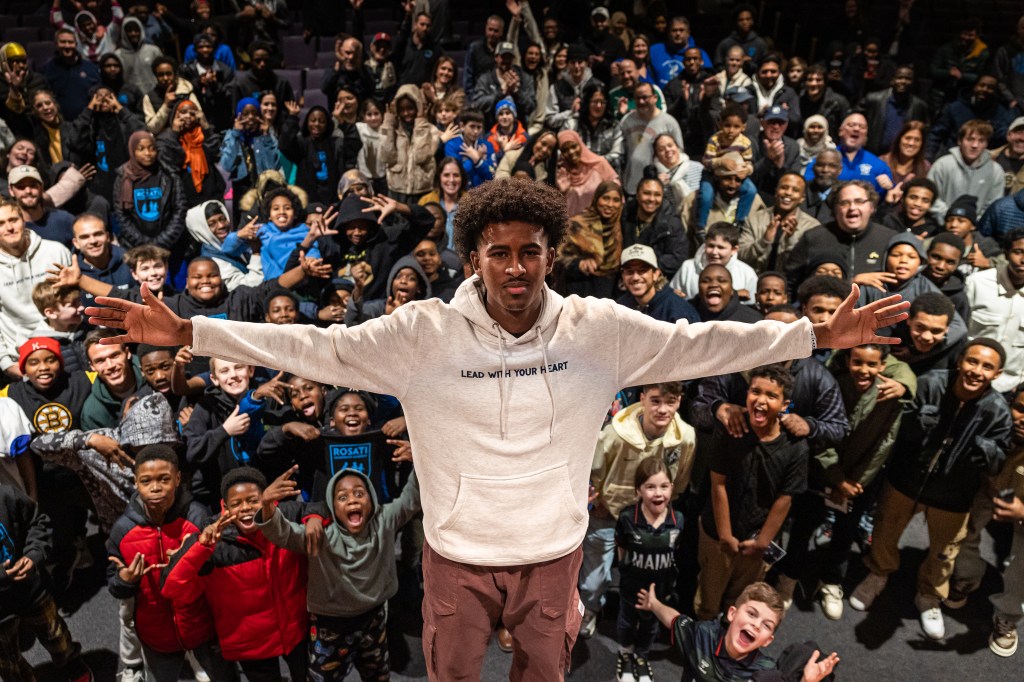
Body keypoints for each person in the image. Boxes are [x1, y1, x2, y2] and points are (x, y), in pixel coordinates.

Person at [86, 177, 908, 681]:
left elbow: (704, 344)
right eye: (499, 251)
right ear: (473, 256)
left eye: (531, 250)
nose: (516, 267)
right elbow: (316, 347)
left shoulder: (597, 329)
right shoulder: (421, 335)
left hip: (552, 556)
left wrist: (814, 336)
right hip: (456, 557)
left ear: (551, 252)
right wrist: (192, 331)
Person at [850, 339, 1012, 640]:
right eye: (972, 361)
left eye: (987, 367)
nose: (976, 371)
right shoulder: (930, 383)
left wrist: (985, 449)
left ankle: (929, 595)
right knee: (885, 532)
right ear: (960, 361)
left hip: (954, 495)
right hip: (906, 480)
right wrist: (919, 424)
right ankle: (878, 574)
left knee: (944, 552)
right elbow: (898, 425)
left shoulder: (998, 410)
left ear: (997, 374)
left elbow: (997, 461)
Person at [775, 343, 916, 618]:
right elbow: (820, 434)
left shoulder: (890, 392)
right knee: (803, 526)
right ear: (847, 360)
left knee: (845, 532)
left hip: (860, 480)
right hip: (822, 470)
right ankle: (789, 577)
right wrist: (837, 479)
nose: (864, 370)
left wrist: (855, 483)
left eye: (872, 364)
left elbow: (884, 444)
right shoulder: (831, 384)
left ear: (883, 366)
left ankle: (831, 581)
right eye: (857, 362)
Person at [257, 463, 420, 681]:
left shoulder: (384, 520)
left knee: (378, 675)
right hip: (330, 626)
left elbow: (411, 499)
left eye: (359, 493)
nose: (352, 500)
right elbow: (282, 534)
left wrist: (419, 460)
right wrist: (267, 504)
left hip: (374, 618)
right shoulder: (321, 535)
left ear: (372, 499)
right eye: (342, 497)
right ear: (332, 507)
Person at [161, 467, 308, 682]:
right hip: (251, 645)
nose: (245, 508)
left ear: (268, 499)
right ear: (225, 507)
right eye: (236, 503)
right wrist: (200, 546)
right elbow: (171, 586)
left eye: (253, 500)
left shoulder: (286, 516)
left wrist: (315, 518)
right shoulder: (213, 539)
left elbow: (323, 510)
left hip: (296, 631)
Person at [106, 445, 236, 682]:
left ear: (177, 479)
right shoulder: (123, 530)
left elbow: (217, 571)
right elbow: (114, 584)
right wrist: (125, 580)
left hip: (202, 626)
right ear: (135, 483)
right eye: (146, 481)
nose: (155, 488)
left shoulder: (197, 517)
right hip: (156, 634)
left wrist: (193, 555)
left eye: (164, 479)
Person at [580, 381, 695, 640]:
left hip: (651, 518)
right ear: (642, 399)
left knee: (646, 574)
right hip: (610, 514)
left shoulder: (685, 437)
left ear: (679, 401)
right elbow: (593, 470)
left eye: (670, 401)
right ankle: (590, 607)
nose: (662, 409)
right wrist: (597, 504)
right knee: (594, 578)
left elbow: (681, 478)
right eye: (655, 401)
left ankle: (639, 619)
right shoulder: (616, 433)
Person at [695, 364, 808, 620]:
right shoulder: (730, 429)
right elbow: (717, 483)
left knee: (742, 599)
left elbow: (785, 498)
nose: (761, 400)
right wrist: (725, 536)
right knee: (707, 598)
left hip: (756, 541)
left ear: (785, 404)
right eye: (755, 391)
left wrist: (762, 543)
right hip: (716, 534)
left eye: (771, 395)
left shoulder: (795, 446)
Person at [639, 581, 839, 682]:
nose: (756, 625)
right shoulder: (702, 635)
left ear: (768, 640)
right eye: (751, 614)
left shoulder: (766, 673)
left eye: (766, 625)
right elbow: (674, 620)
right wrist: (654, 604)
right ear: (732, 614)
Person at [0, 480, 94, 682]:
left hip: (32, 591)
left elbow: (38, 522)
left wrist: (34, 554)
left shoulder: (6, 495)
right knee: (8, 663)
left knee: (56, 635)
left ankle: (69, 661)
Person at [612, 457, 684, 682]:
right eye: (650, 487)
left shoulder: (678, 520)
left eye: (664, 486)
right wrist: (625, 572)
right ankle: (625, 653)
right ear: (638, 491)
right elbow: (621, 548)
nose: (658, 493)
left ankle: (641, 657)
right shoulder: (627, 518)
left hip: (659, 591)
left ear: (672, 488)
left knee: (650, 627)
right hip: (631, 587)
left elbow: (675, 553)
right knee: (626, 622)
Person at [0, 198, 72, 378]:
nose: (9, 228)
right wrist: (6, 363)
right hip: (21, 357)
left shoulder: (55, 251)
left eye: (13, 220)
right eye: (1, 223)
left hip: (66, 348)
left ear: (23, 220)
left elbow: (75, 300)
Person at [965, 229, 1024, 393]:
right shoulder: (977, 283)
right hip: (969, 378)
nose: (1023, 260)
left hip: (1010, 386)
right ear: (1006, 253)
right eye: (1018, 252)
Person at [739, 172, 820, 273]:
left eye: (795, 190)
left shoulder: (812, 226)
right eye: (784, 187)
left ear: (802, 198)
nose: (788, 193)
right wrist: (764, 241)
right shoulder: (755, 219)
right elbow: (740, 256)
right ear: (776, 191)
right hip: (756, 278)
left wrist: (791, 240)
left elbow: (807, 265)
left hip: (790, 281)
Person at [556, 181, 624, 298]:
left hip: (608, 293)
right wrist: (579, 264)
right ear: (596, 199)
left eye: (616, 200)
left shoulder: (621, 227)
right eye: (606, 198)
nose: (610, 204)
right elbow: (556, 258)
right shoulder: (577, 224)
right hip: (579, 290)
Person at [927, 119, 1005, 218]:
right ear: (960, 141)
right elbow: (930, 197)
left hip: (977, 226)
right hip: (942, 222)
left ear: (986, 144)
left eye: (981, 141)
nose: (975, 145)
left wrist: (972, 222)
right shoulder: (942, 165)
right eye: (970, 139)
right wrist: (951, 218)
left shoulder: (996, 171)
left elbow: (993, 206)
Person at [621, 173, 687, 279]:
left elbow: (677, 258)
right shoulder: (625, 215)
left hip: (657, 277)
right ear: (637, 195)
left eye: (657, 195)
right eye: (647, 193)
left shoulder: (671, 223)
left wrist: (644, 266)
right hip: (626, 273)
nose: (652, 199)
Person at [621, 82, 683, 194]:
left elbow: (680, 156)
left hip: (661, 188)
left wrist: (669, 177)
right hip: (632, 186)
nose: (641, 102)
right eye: (638, 98)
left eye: (645, 97)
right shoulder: (627, 121)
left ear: (655, 98)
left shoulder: (669, 122)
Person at [615, 244, 699, 324]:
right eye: (629, 272)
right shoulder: (618, 308)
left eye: (642, 271)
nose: (635, 277)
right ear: (622, 275)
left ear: (655, 274)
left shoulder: (679, 311)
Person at [863, 65, 928, 155]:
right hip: (872, 154)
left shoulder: (919, 106)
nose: (903, 81)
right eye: (900, 78)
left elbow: (924, 133)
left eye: (908, 79)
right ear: (892, 80)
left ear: (913, 82)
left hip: (902, 157)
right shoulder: (874, 99)